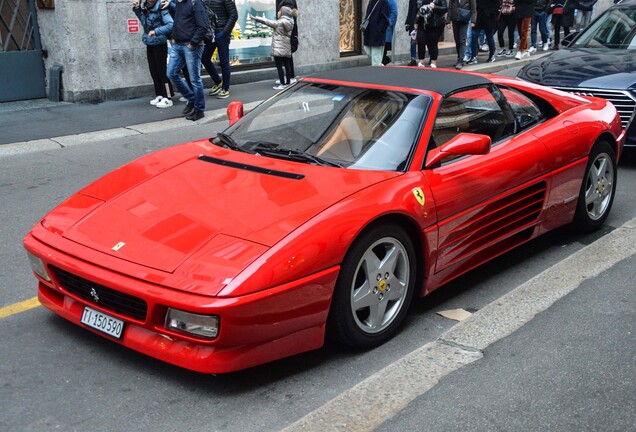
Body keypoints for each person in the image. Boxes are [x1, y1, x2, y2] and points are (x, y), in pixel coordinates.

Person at [166, 0, 208, 121]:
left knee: (195, 79)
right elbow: (177, 21)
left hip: (191, 46)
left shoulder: (196, 2)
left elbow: (203, 26)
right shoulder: (178, 3)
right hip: (178, 45)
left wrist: (193, 43)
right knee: (171, 73)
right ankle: (191, 99)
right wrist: (173, 36)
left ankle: (199, 109)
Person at [133, 0, 175, 109]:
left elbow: (170, 24)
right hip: (149, 42)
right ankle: (160, 95)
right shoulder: (146, 8)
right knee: (154, 71)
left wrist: (156, 31)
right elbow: (144, 24)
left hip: (159, 43)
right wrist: (137, 10)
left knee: (162, 71)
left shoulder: (161, 7)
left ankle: (168, 97)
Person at [251, 6, 294, 90]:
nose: (278, 12)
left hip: (278, 47)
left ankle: (282, 83)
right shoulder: (290, 22)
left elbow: (268, 22)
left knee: (279, 66)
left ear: (283, 13)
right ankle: (288, 82)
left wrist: (256, 18)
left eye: (279, 11)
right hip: (286, 46)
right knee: (287, 64)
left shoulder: (280, 22)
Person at [202, 0, 238, 99]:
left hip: (222, 32)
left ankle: (225, 88)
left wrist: (225, 32)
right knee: (204, 58)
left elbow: (233, 15)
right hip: (211, 33)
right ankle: (218, 82)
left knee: (224, 61)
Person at [414, 0, 448, 67]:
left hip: (435, 24)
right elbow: (417, 9)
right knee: (420, 41)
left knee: (433, 43)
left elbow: (445, 8)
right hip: (422, 23)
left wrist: (434, 7)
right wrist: (415, 21)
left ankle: (433, 62)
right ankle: (421, 62)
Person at [467, 0, 498, 64]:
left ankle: (492, 55)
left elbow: (496, 4)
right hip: (478, 17)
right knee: (474, 36)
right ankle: (473, 56)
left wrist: (489, 12)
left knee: (489, 38)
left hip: (489, 18)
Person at [448, 0, 476, 69]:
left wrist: (473, 21)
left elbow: (473, 9)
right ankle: (459, 58)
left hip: (464, 19)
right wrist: (448, 21)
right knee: (457, 40)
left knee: (462, 40)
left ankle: (461, 60)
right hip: (455, 19)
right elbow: (450, 8)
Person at [277, 0, 299, 83]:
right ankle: (290, 77)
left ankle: (290, 78)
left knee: (287, 58)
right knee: (288, 58)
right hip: (290, 35)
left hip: (289, 36)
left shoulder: (288, 3)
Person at [362, 0, 390, 66]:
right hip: (369, 33)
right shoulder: (371, 2)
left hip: (377, 35)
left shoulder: (383, 2)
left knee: (375, 58)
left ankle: (377, 70)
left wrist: (379, 31)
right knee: (367, 50)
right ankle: (380, 65)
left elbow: (385, 20)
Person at [382, 0, 398, 65]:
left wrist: (388, 24)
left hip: (385, 29)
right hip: (378, 30)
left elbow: (394, 13)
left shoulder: (391, 1)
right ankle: (384, 60)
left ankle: (384, 61)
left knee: (383, 49)